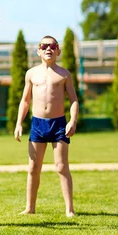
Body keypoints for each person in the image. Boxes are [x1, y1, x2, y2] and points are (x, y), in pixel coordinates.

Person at [14, 35, 79, 217]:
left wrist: (72, 121)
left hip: (59, 124)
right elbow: (25, 101)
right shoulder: (31, 73)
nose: (48, 49)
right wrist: (19, 123)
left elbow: (73, 100)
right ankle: (30, 208)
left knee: (61, 167)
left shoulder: (64, 74)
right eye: (44, 46)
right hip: (37, 124)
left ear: (58, 50)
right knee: (33, 167)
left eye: (52, 46)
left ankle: (70, 209)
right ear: (38, 51)